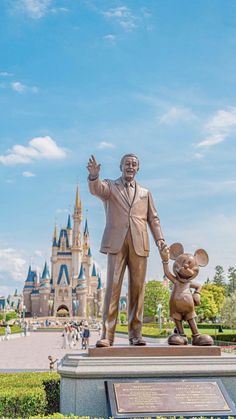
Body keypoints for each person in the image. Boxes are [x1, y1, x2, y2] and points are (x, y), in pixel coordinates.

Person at [87, 153, 166, 347]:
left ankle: (136, 335)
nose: (130, 166)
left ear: (138, 169)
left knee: (138, 290)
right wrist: (94, 176)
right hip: (116, 242)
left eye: (134, 164)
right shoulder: (110, 186)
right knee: (112, 288)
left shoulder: (145, 193)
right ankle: (107, 335)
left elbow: (153, 219)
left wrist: (160, 240)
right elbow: (97, 190)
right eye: (127, 164)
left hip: (140, 242)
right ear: (120, 166)